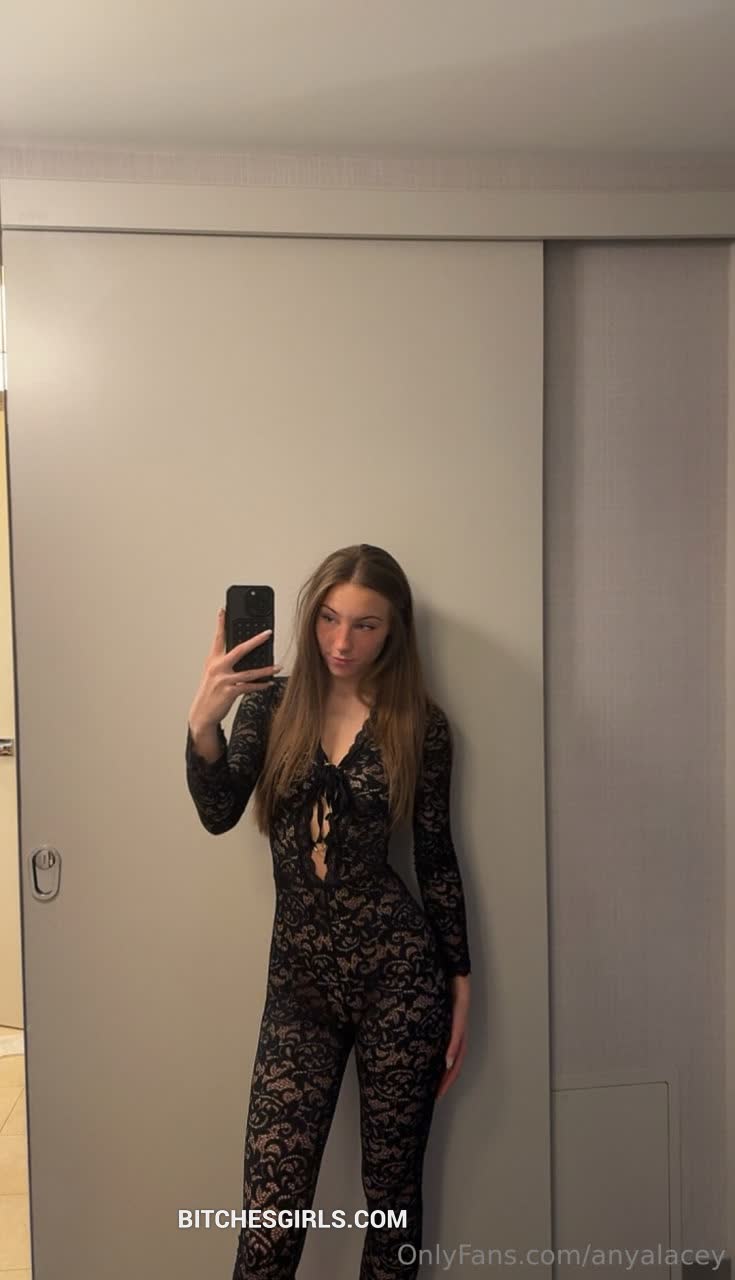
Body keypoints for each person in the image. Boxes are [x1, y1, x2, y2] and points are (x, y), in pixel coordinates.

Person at [185, 543, 471, 1280]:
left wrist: (460, 983)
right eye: (329, 619)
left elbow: (435, 857)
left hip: (400, 985)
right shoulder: (272, 704)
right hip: (299, 990)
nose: (342, 642)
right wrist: (204, 724)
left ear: (395, 630)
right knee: (268, 1225)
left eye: (366, 625)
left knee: (391, 1208)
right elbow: (218, 812)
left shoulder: (420, 724)